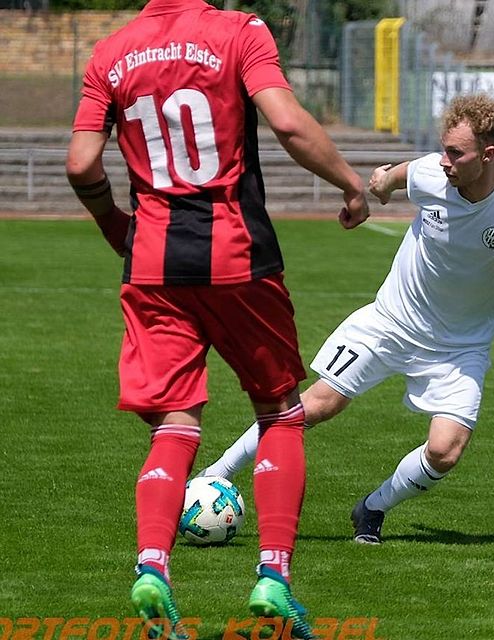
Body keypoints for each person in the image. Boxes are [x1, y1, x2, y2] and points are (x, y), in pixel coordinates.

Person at [65, 1, 369, 637]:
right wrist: (349, 183)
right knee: (281, 410)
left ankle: (153, 564)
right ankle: (273, 577)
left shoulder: (110, 51)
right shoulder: (240, 30)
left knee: (175, 426)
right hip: (236, 256)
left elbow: (81, 164)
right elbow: (286, 123)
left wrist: (112, 223)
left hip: (151, 264)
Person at [200, 93, 494, 544]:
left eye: (456, 153)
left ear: (488, 155)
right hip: (389, 322)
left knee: (446, 451)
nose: (445, 161)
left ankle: (372, 508)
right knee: (317, 405)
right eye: (444, 148)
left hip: (459, 348)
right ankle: (215, 477)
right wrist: (380, 185)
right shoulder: (432, 171)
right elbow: (394, 179)